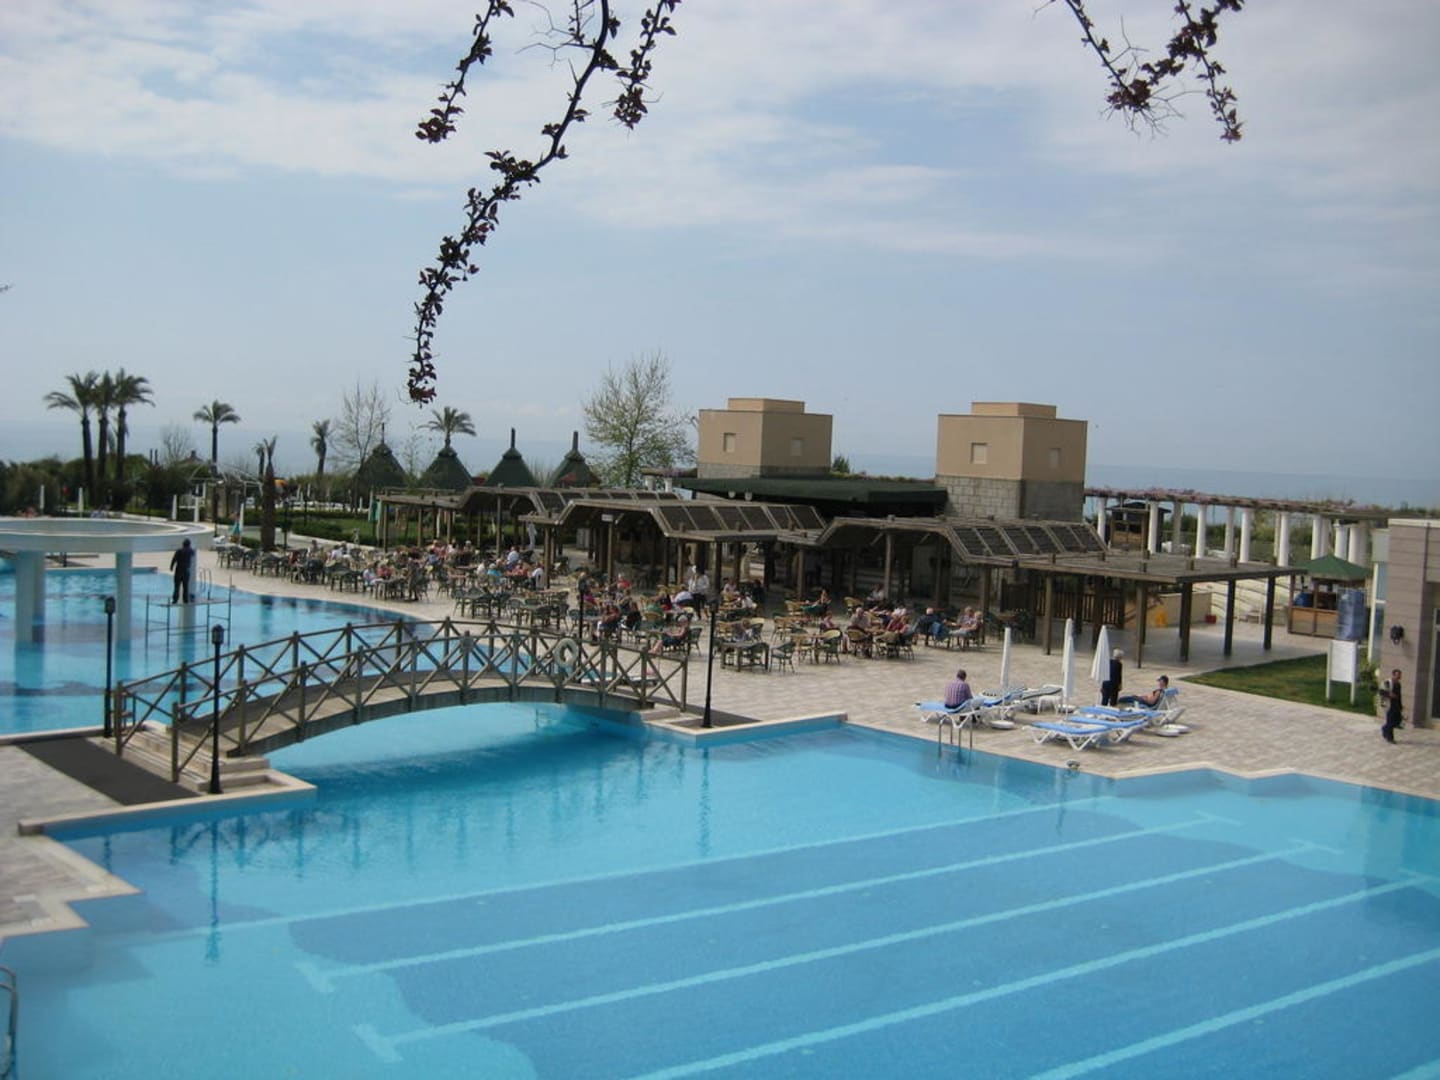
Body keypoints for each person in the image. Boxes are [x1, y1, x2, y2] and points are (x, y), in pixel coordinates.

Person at [1380, 668, 1404, 744]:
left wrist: (1400, 706)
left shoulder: (1398, 684)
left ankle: (1384, 728)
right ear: (1393, 675)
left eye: (1400, 675)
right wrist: (1389, 694)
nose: (1399, 676)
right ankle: (1390, 738)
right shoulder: (1387, 682)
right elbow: (1380, 691)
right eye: (1397, 675)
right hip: (1389, 705)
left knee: (1397, 721)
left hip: (1396, 706)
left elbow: (1399, 696)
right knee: (1390, 721)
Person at [170, 538, 195, 603]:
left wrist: (171, 567)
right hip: (186, 571)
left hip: (178, 570)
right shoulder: (190, 551)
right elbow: (193, 553)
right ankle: (185, 600)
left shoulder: (179, 551)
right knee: (185, 586)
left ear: (183, 544)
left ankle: (175, 599)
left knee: (177, 586)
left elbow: (174, 559)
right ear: (189, 544)